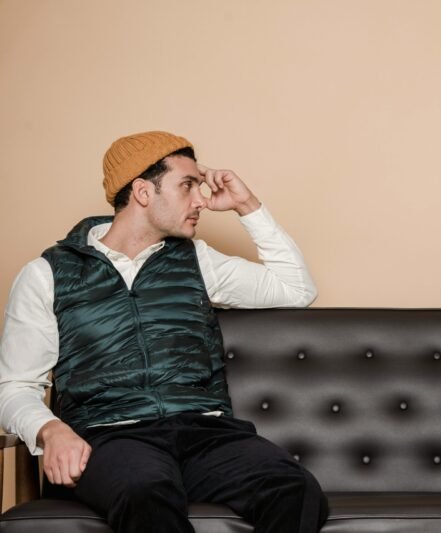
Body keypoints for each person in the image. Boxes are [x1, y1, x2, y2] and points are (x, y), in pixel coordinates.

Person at [0, 131, 327, 533]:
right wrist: (51, 430)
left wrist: (247, 204)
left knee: (294, 489)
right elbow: (15, 386)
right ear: (141, 191)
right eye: (188, 185)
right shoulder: (48, 274)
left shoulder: (197, 261)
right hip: (111, 438)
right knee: (145, 492)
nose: (202, 199)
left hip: (206, 433)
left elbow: (297, 290)